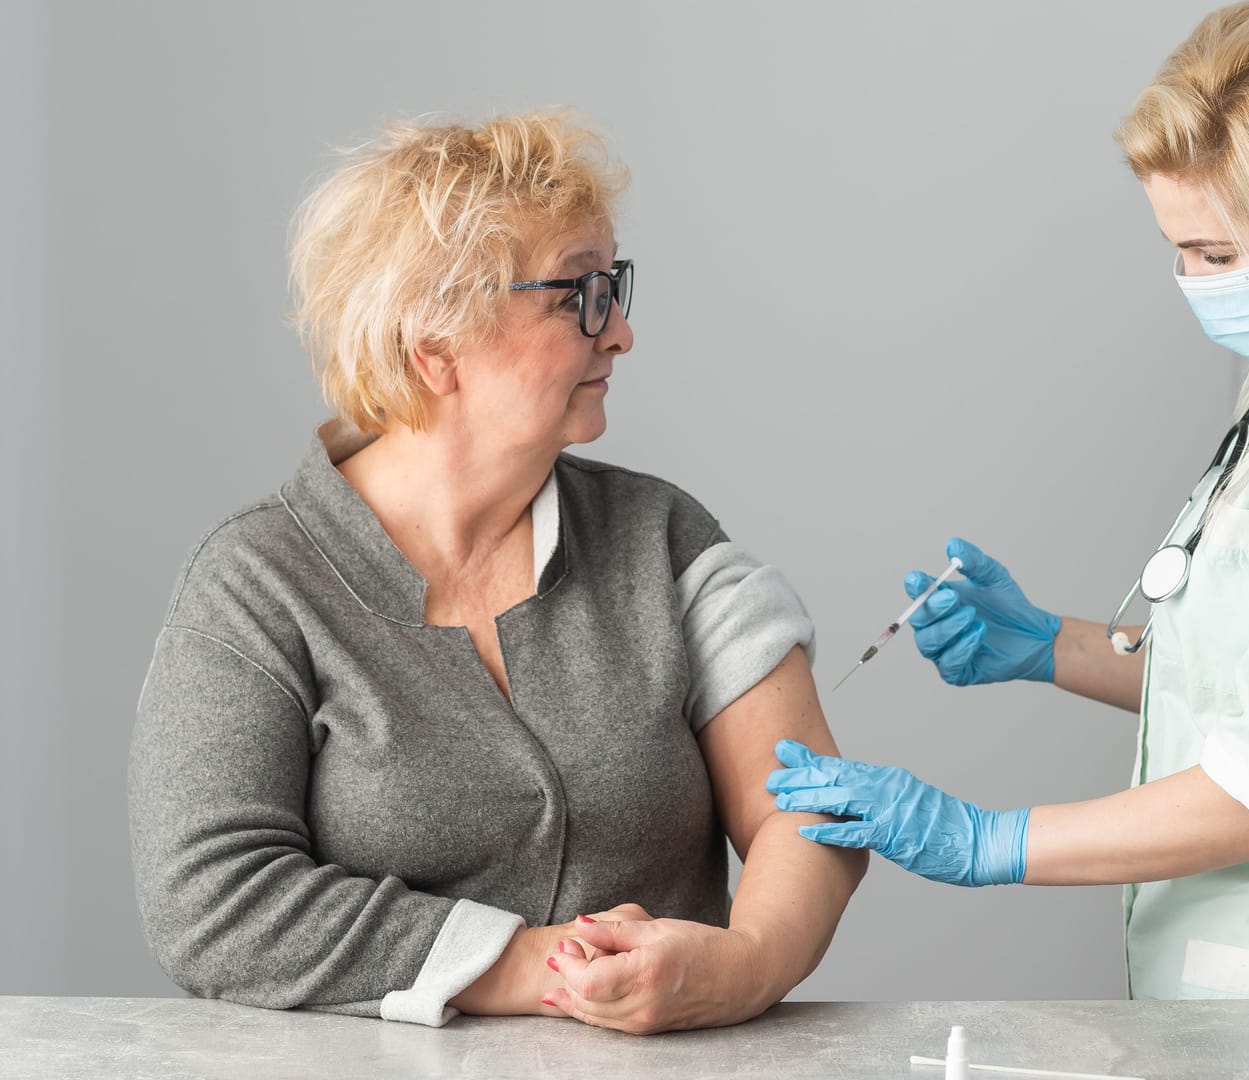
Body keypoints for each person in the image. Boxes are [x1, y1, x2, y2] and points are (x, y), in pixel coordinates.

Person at [768, 1, 1249, 999]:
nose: (1190, 284)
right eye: (1176, 248)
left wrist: (982, 838)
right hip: (1238, 994)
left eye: (1217, 255)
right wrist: (1055, 644)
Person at [129, 112, 865, 1034]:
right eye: (577, 296)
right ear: (431, 346)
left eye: (615, 286)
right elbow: (211, 902)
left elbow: (815, 810)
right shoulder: (255, 581)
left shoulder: (666, 537)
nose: (623, 332)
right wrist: (537, 965)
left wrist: (746, 967)